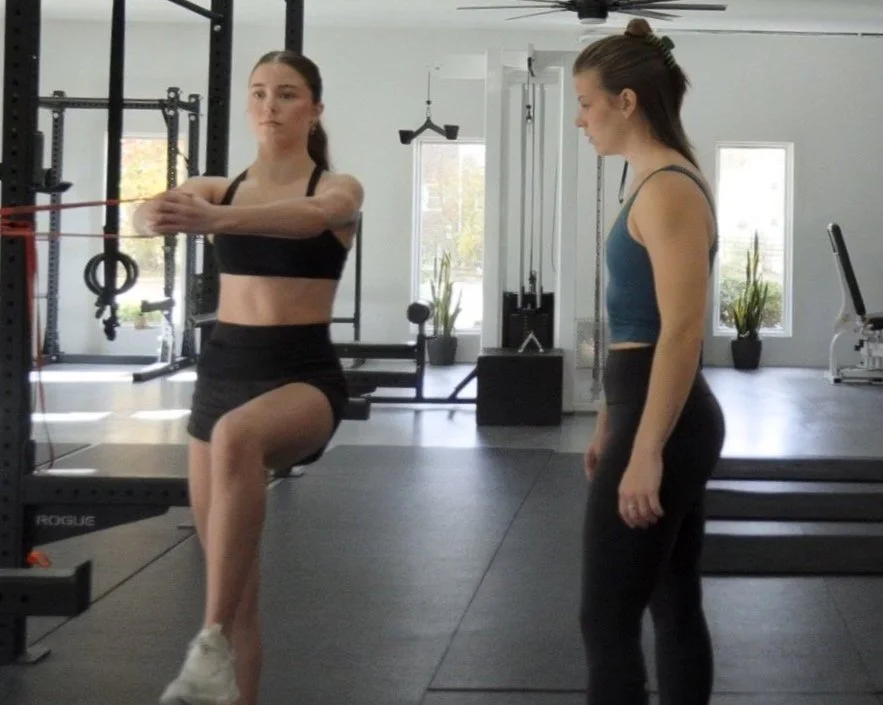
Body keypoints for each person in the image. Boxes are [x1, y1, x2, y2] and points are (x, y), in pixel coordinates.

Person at [132, 50, 364, 705]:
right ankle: (221, 653)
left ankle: (204, 642)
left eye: (287, 94)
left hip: (302, 379)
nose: (270, 106)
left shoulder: (337, 188)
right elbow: (147, 215)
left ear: (314, 108)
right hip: (222, 373)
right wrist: (155, 214)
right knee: (237, 590)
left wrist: (213, 220)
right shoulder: (215, 186)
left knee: (239, 436)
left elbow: (310, 219)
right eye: (259, 93)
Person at [572, 18, 726, 705]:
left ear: (626, 101)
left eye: (585, 103)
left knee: (604, 617)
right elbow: (634, 325)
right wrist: (611, 421)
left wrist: (645, 449)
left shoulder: (667, 188)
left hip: (667, 413)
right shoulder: (651, 182)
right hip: (643, 403)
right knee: (670, 600)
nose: (581, 120)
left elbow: (681, 330)